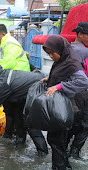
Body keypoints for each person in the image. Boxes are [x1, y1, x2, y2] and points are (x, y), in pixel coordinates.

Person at [42, 35, 88, 169]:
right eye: (48, 53)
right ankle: (64, 166)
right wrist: (49, 78)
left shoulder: (71, 62)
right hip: (62, 107)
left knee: (56, 141)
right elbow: (63, 75)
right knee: (58, 141)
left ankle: (59, 167)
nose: (50, 56)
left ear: (61, 49)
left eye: (52, 52)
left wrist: (58, 86)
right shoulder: (62, 61)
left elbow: (83, 81)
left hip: (67, 108)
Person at [66, 22, 88, 159]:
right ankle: (74, 152)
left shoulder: (67, 48)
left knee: (71, 122)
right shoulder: (84, 51)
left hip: (69, 92)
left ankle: (65, 150)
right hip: (82, 92)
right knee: (85, 125)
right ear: (80, 34)